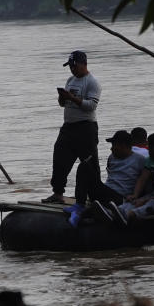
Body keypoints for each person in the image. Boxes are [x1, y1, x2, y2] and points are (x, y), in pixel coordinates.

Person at [42, 50, 101, 205]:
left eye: (74, 66)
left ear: (83, 64)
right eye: (70, 66)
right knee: (59, 157)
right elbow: (63, 104)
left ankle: (96, 195)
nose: (72, 69)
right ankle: (58, 193)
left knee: (89, 163)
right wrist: (62, 98)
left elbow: (91, 106)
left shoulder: (92, 82)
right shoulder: (70, 80)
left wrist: (72, 98)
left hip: (86, 127)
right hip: (68, 127)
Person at [76, 130, 146, 222]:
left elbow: (144, 179)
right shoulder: (112, 157)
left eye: (114, 146)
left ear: (123, 146)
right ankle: (80, 204)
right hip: (106, 191)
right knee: (84, 166)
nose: (111, 149)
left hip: (120, 197)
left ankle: (98, 210)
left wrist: (137, 196)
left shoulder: (140, 160)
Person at [114, 132, 154, 223]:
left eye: (149, 147)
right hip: (153, 194)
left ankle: (129, 215)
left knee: (150, 204)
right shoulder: (151, 159)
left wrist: (145, 200)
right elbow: (142, 178)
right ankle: (117, 211)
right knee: (134, 201)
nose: (148, 149)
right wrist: (135, 195)